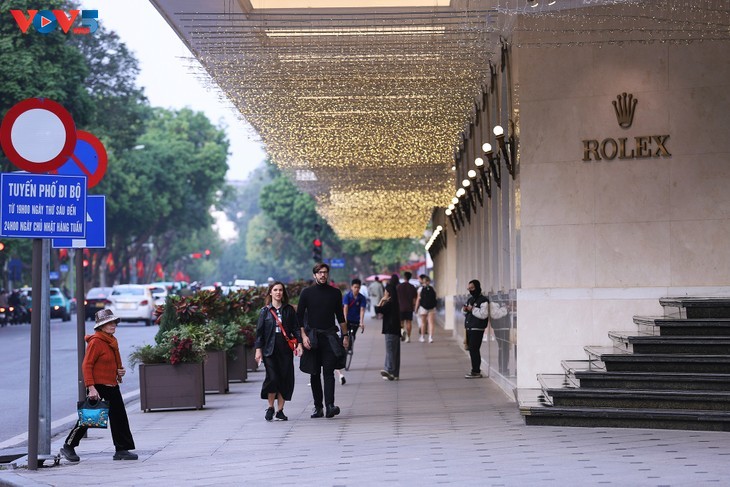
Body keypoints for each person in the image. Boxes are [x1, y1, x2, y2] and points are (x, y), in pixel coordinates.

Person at [60, 309, 137, 463]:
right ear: (101, 326)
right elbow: (86, 365)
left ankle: (121, 450)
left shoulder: (111, 340)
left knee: (119, 418)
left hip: (112, 385)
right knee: (89, 419)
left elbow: (109, 363)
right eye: (109, 323)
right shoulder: (96, 342)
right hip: (98, 387)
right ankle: (68, 446)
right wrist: (91, 387)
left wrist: (119, 371)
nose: (113, 325)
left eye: (114, 322)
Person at [298, 263, 348, 419]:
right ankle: (318, 407)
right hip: (312, 338)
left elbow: (340, 316)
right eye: (319, 272)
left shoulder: (335, 293)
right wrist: (303, 337)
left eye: (325, 272)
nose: (322, 275)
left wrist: (345, 335)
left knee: (329, 372)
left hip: (329, 337)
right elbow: (299, 318)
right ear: (314, 275)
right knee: (314, 373)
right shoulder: (306, 293)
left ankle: (330, 406)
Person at [254, 281, 303, 421]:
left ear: (283, 293)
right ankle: (270, 407)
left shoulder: (289, 310)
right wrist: (258, 350)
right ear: (270, 292)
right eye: (275, 290)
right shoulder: (265, 311)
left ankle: (280, 410)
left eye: (280, 290)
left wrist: (299, 343)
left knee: (284, 378)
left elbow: (296, 328)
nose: (278, 292)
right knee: (272, 377)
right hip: (269, 349)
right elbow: (260, 333)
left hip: (285, 348)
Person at [336, 278, 367, 385]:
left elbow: (362, 310)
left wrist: (361, 322)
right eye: (355, 287)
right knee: (344, 337)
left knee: (353, 336)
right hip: (347, 320)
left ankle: (349, 346)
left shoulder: (362, 298)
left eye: (358, 287)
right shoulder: (347, 296)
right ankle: (342, 351)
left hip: (356, 320)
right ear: (351, 287)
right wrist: (344, 320)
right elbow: (345, 308)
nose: (356, 289)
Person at [375, 274, 401, 381]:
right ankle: (395, 374)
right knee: (395, 352)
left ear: (388, 293)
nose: (384, 292)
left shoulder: (389, 303)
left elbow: (377, 310)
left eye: (385, 291)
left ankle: (389, 370)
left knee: (390, 351)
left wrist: (382, 300)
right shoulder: (395, 303)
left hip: (390, 330)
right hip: (396, 330)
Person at [463, 280, 489, 379]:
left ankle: (476, 371)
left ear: (477, 287)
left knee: (474, 349)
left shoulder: (483, 300)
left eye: (472, 288)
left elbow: (483, 314)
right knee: (471, 349)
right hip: (469, 327)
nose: (470, 290)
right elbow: (465, 313)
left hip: (477, 328)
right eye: (469, 289)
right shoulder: (470, 299)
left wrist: (472, 309)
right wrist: (465, 310)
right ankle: (475, 370)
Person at [396, 271, 418, 343]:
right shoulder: (412, 287)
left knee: (401, 323)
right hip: (409, 307)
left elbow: (396, 298)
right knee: (409, 322)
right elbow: (414, 299)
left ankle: (403, 335)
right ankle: (408, 337)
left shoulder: (399, 286)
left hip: (400, 307)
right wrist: (414, 307)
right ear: (410, 277)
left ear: (404, 277)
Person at [415, 274, 437, 343]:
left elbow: (418, 299)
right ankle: (430, 338)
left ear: (423, 281)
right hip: (432, 308)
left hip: (423, 307)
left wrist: (416, 308)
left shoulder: (420, 289)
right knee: (431, 323)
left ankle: (422, 337)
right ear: (429, 281)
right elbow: (435, 298)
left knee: (423, 322)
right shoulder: (433, 288)